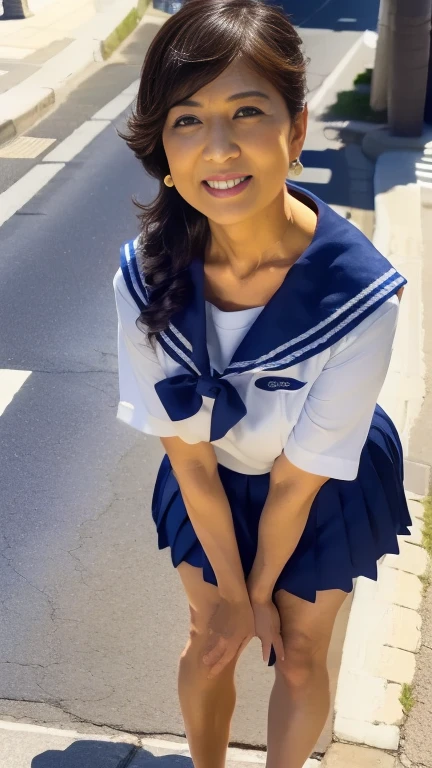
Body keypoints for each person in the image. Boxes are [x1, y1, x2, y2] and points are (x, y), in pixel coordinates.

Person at [112, 1, 412, 766]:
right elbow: (188, 459)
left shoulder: (361, 295)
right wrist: (236, 607)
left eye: (247, 112)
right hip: (208, 475)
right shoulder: (141, 275)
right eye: (188, 119)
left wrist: (263, 597)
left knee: (300, 653)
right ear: (164, 146)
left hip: (322, 482)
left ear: (297, 129)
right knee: (209, 638)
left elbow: (295, 484)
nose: (218, 148)